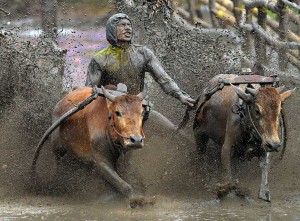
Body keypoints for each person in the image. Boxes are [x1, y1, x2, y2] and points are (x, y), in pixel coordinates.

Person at [85, 13, 195, 121]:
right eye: (122, 25)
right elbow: (88, 91)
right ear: (111, 30)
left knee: (173, 131)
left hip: (137, 108)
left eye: (129, 25)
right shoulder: (99, 59)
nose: (127, 28)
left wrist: (180, 96)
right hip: (109, 110)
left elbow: (163, 78)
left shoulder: (144, 53)